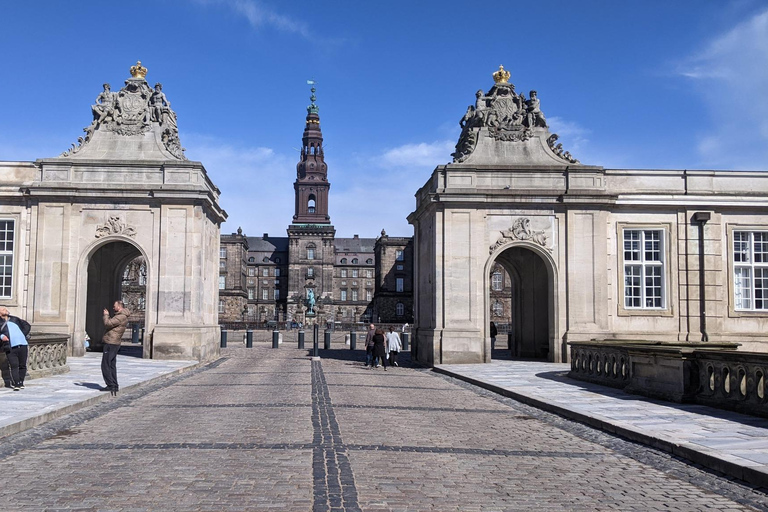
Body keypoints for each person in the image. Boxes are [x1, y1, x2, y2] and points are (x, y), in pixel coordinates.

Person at [102, 301, 130, 396]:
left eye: (114, 306)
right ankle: (114, 384)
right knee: (111, 364)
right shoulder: (121, 316)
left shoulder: (121, 316)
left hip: (111, 342)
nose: (113, 308)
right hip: (114, 342)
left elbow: (108, 324)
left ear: (119, 306)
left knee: (106, 364)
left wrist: (106, 315)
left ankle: (111, 384)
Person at [0, 307, 31, 390]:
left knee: (22, 365)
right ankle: (16, 384)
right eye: (3, 309)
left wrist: (22, 334)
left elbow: (27, 325)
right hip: (10, 346)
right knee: (14, 365)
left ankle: (21, 382)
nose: (5, 310)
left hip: (23, 344)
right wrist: (2, 336)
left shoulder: (15, 319)